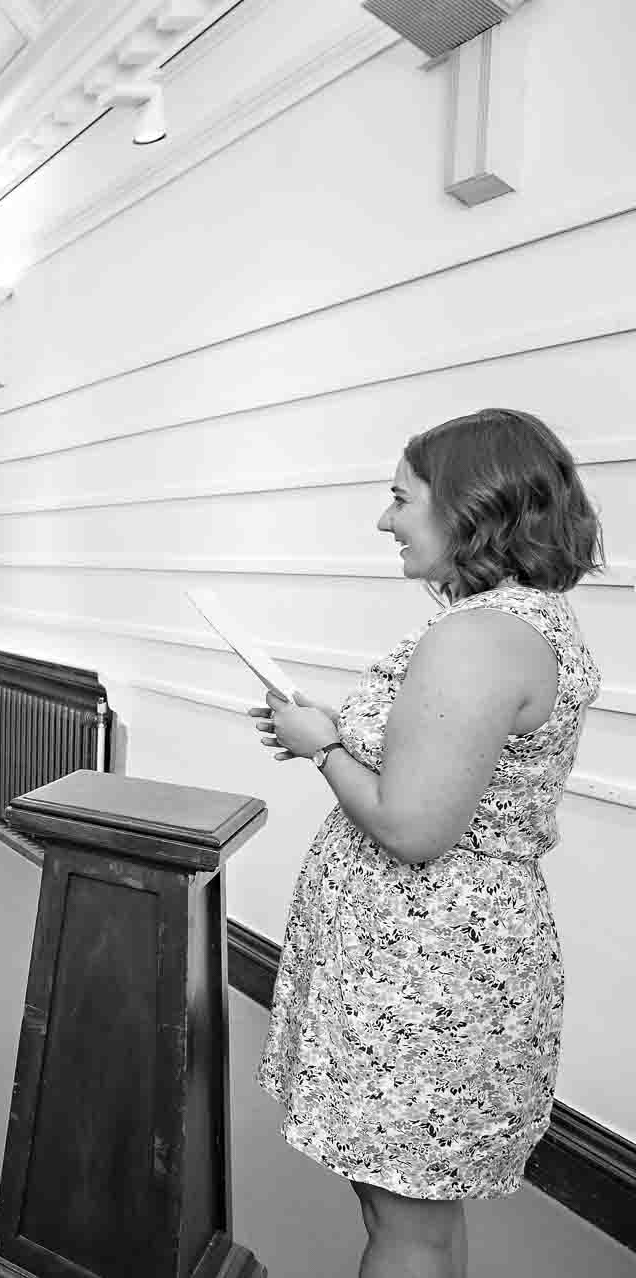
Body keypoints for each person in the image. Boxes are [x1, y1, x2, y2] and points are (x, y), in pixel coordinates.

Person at [250, 410, 602, 1278]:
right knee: (416, 1211)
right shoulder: (518, 622)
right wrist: (339, 732)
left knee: (406, 1224)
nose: (385, 520)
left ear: (469, 507)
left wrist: (321, 747)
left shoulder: (479, 637)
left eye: (400, 499)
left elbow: (414, 828)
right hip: (430, 962)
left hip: (428, 969)